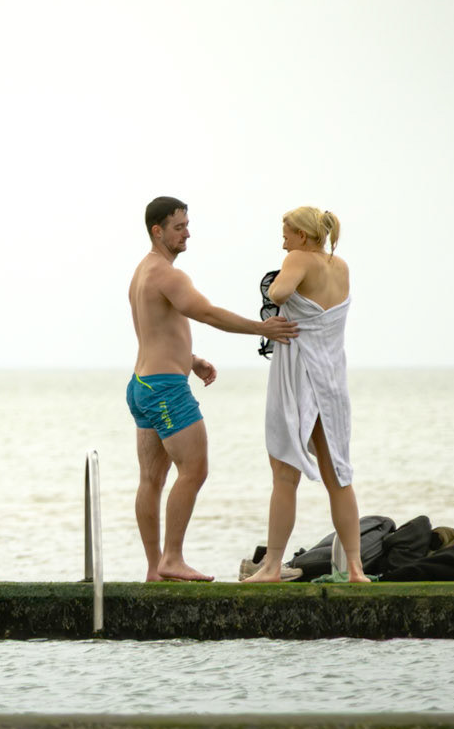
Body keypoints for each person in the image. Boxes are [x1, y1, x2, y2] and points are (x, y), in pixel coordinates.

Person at [128, 197, 298, 582]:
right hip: (165, 390)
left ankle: (155, 568)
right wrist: (261, 328)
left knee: (151, 480)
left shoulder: (142, 272)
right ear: (157, 231)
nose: (187, 233)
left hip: (142, 384)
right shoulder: (169, 275)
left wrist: (190, 359)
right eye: (179, 227)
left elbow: (153, 329)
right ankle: (172, 559)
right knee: (194, 470)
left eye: (187, 225)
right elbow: (206, 312)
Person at [244, 206, 371, 585]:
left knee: (285, 474)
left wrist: (279, 282)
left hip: (299, 378)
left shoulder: (298, 258)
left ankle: (271, 567)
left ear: (302, 235)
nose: (283, 242)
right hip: (331, 379)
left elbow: (280, 292)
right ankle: (356, 569)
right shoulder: (340, 266)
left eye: (286, 234)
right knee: (339, 477)